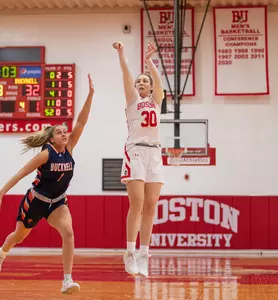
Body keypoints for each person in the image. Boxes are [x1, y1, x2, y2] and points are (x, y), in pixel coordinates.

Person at [0, 74, 94, 294]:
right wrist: (0, 193)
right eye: (59, 132)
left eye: (65, 131)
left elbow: (81, 121)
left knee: (69, 233)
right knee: (19, 236)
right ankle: (1, 254)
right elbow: (20, 173)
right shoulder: (46, 155)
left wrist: (90, 94)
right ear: (51, 139)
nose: (65, 133)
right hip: (37, 200)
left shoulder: (70, 147)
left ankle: (67, 280)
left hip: (58, 203)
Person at [113, 40, 164, 277]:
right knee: (138, 204)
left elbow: (160, 84)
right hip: (135, 151)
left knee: (152, 206)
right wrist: (122, 55)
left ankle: (144, 253)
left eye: (145, 81)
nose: (141, 83)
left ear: (151, 86)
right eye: (139, 81)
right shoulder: (133, 101)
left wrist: (149, 62)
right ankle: (130, 252)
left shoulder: (156, 100)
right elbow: (126, 74)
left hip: (154, 152)